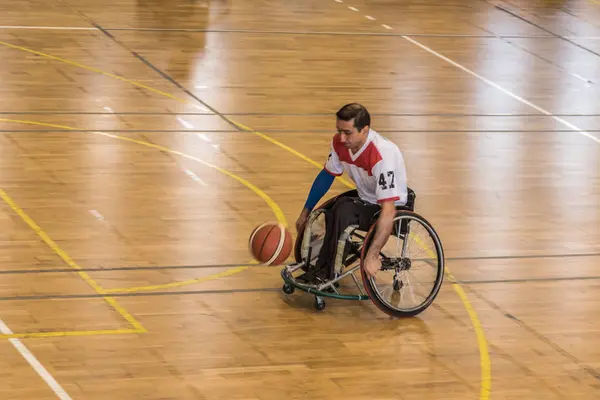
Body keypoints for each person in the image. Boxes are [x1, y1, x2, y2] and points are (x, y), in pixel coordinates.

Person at [295, 103, 409, 284]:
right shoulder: (340, 143)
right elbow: (326, 175)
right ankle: (322, 263)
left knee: (344, 210)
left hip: (391, 206)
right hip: (366, 198)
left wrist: (372, 254)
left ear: (364, 130)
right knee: (334, 207)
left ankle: (326, 272)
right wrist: (306, 211)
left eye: (347, 133)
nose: (341, 137)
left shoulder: (382, 154)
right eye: (339, 130)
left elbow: (388, 210)